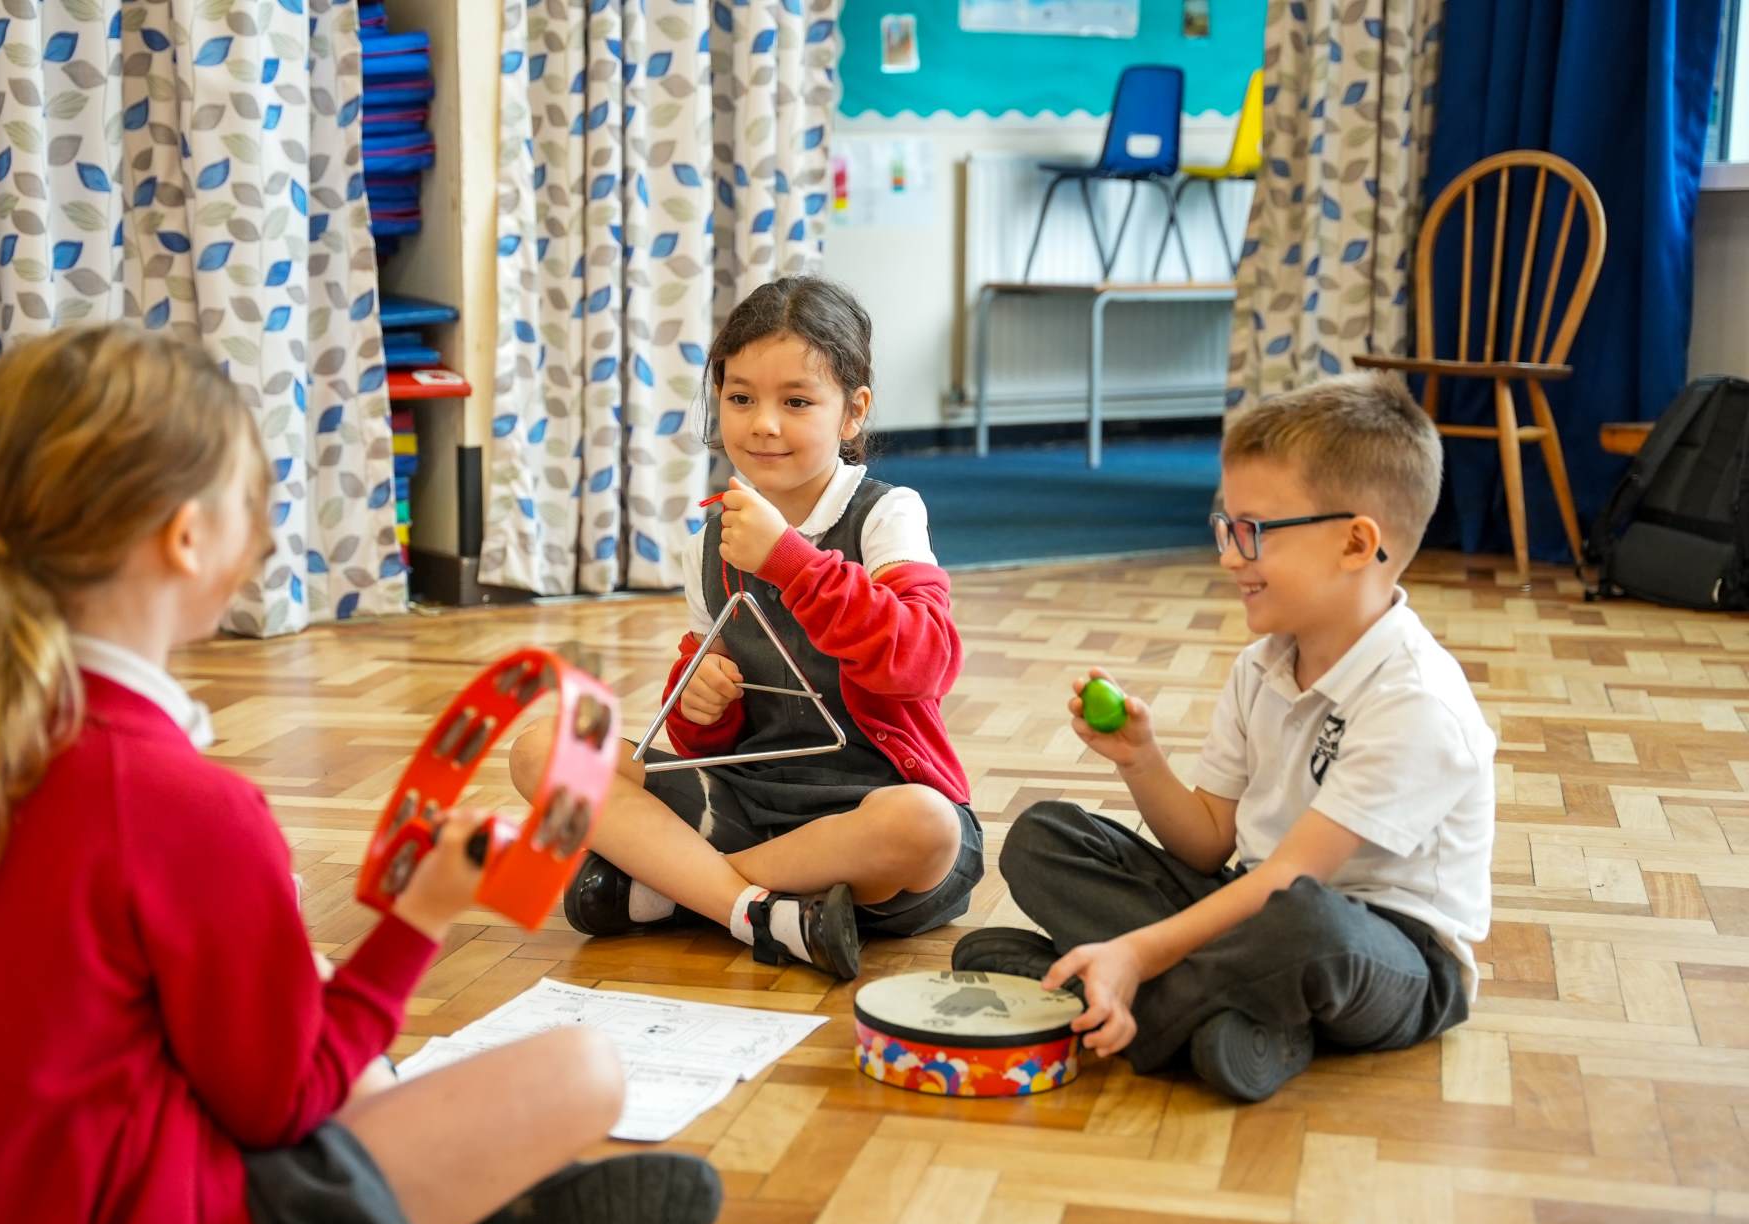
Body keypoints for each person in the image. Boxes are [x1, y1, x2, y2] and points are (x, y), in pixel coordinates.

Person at [0, 325, 720, 1224]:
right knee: (582, 1070)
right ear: (187, 537)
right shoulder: (184, 804)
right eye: (252, 502)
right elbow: (284, 1103)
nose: (263, 533)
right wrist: (419, 915)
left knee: (305, 980)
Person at [955, 374, 1494, 1101]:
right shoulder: (1262, 665)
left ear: (1355, 542)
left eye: (1253, 532)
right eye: (1226, 527)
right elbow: (1209, 844)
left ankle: (1107, 1000)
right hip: (1252, 906)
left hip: (1387, 957)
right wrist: (1142, 760)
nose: (1229, 557)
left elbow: (1291, 881)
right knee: (1045, 837)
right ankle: (1226, 1023)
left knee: (1307, 924)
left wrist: (1137, 952)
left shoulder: (1416, 701)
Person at [512, 276, 983, 980]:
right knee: (541, 748)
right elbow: (699, 743)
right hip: (748, 809)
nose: (764, 423)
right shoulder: (710, 541)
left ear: (853, 412)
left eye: (796, 402)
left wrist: (790, 562)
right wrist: (700, 697)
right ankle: (757, 910)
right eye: (740, 398)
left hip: (871, 831)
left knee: (927, 825)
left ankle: (681, 889)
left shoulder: (886, 515)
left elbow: (925, 662)